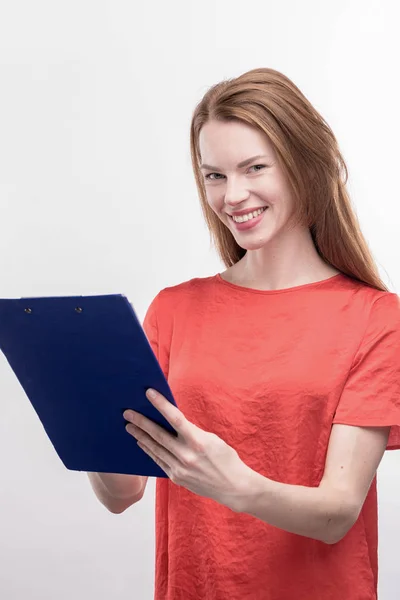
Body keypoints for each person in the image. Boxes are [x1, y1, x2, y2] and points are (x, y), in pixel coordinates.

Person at [87, 68, 400, 600]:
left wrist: (236, 485)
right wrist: (81, 405)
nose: (233, 195)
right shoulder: (174, 309)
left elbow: (337, 512)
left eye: (255, 168)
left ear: (307, 165)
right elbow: (122, 493)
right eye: (214, 175)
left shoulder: (374, 317)